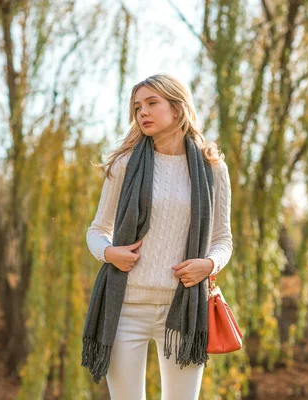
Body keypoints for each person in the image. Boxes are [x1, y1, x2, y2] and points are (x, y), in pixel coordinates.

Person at [85, 73, 233, 400]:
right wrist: (110, 254)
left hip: (181, 307)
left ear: (178, 109)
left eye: (152, 103)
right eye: (137, 107)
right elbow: (97, 232)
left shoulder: (212, 168)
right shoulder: (124, 164)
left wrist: (208, 264)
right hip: (125, 306)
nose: (143, 113)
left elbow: (223, 239)